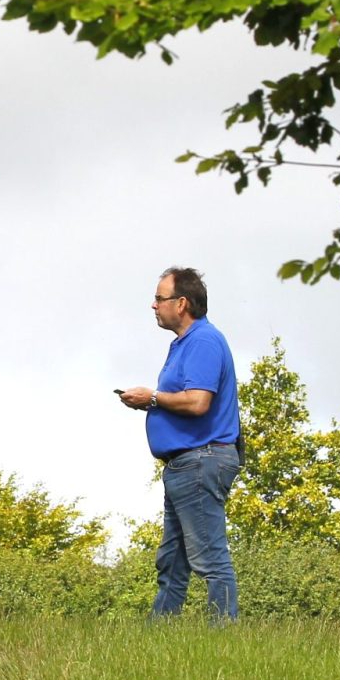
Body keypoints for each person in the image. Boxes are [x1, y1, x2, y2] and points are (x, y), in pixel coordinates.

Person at [118, 266, 242, 622]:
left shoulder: (203, 341)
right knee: (172, 560)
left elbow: (198, 401)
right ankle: (158, 636)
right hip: (185, 464)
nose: (153, 305)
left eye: (160, 298)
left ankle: (225, 638)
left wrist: (152, 398)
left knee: (210, 558)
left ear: (182, 302)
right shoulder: (184, 343)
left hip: (201, 460)